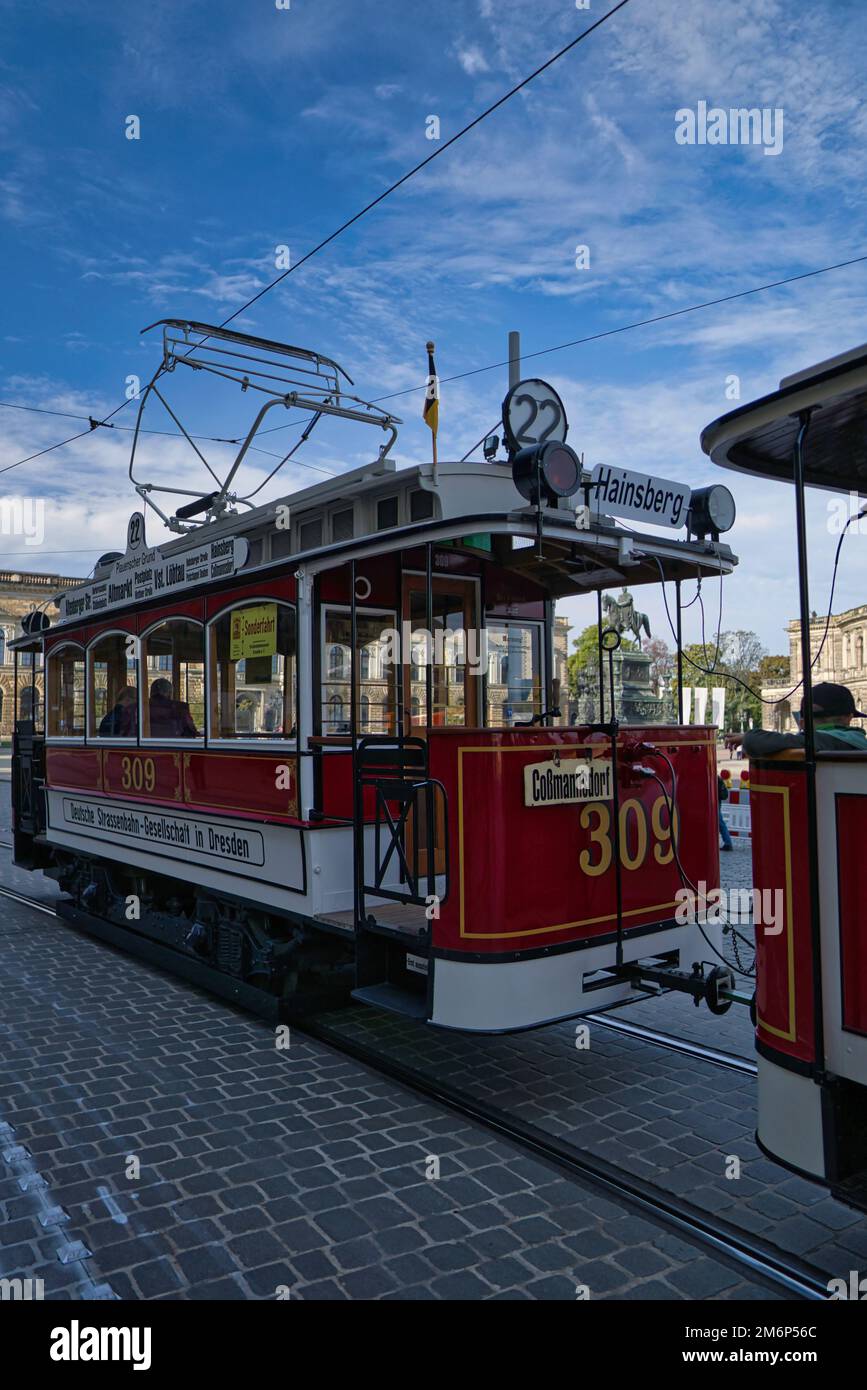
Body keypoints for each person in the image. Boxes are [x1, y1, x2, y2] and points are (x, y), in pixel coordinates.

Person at [743, 682, 867, 756]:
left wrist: (745, 737)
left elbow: (754, 741)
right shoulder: (857, 741)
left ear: (802, 723)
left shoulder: (821, 741)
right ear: (849, 718)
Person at [717, 772, 733, 852]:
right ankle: (728, 842)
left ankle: (728, 843)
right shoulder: (718, 778)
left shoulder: (715, 779)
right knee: (720, 823)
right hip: (717, 802)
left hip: (714, 803)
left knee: (720, 823)